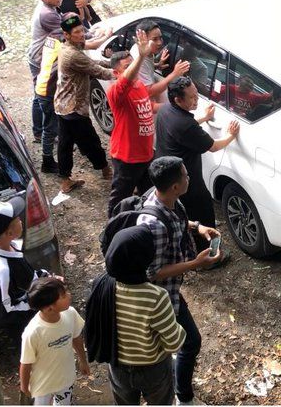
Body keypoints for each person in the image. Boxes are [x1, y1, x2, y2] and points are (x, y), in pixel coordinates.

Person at [136, 156, 224, 405]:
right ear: (175, 185)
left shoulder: (164, 197)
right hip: (160, 296)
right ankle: (183, 398)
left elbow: (175, 221)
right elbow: (153, 272)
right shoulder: (152, 225)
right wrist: (197, 263)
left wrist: (198, 227)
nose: (189, 177)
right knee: (191, 342)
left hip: (171, 290)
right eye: (185, 175)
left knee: (178, 341)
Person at [85, 224, 186, 405]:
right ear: (145, 258)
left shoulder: (102, 284)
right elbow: (174, 342)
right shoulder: (156, 296)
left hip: (118, 367)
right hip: (152, 369)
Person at [156, 76, 240, 254]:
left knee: (184, 214)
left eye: (196, 94)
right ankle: (208, 256)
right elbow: (214, 146)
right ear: (178, 99)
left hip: (168, 174)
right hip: (187, 182)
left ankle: (190, 245)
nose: (197, 100)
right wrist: (231, 135)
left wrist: (203, 118)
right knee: (203, 214)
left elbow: (186, 127)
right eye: (192, 98)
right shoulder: (185, 125)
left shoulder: (166, 110)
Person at [54, 15, 114, 193]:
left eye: (82, 30)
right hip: (74, 108)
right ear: (66, 34)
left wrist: (112, 62)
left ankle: (65, 180)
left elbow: (92, 61)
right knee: (90, 141)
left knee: (65, 143)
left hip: (62, 105)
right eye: (77, 32)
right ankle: (105, 170)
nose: (81, 35)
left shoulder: (70, 46)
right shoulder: (71, 55)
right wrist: (121, 70)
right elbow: (99, 71)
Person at [0, 197, 51, 340]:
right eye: (17, 219)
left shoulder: (9, 246)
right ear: (9, 233)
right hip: (30, 333)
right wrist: (39, 301)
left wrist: (46, 279)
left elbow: (26, 278)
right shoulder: (2, 271)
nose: (21, 220)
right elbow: (3, 312)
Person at [105, 29, 157, 216]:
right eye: (127, 66)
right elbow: (126, 80)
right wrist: (141, 58)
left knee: (148, 196)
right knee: (119, 202)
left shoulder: (140, 85)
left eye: (132, 63)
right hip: (127, 157)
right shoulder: (116, 91)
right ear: (116, 72)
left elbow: (147, 107)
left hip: (146, 155)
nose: (132, 69)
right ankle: (112, 234)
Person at [19, 277, 89, 405]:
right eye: (63, 295)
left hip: (65, 379)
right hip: (42, 386)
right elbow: (26, 363)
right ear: (49, 308)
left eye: (66, 291)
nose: (69, 295)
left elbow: (76, 337)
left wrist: (83, 361)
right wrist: (24, 388)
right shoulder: (33, 332)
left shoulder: (70, 314)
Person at [27, 0, 65, 145]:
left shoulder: (50, 8)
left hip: (38, 58)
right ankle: (47, 135)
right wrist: (96, 35)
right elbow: (69, 30)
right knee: (47, 99)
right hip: (42, 61)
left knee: (38, 96)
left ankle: (38, 131)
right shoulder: (47, 14)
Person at [131, 20, 190, 105]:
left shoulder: (144, 50)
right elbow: (148, 91)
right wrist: (174, 74)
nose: (159, 42)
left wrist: (157, 65)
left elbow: (146, 67)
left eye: (160, 38)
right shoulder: (140, 58)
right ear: (142, 39)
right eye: (154, 39)